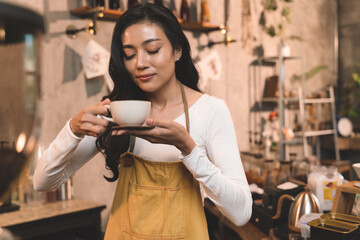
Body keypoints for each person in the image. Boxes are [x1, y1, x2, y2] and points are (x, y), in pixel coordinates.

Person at [33, 3, 252, 239]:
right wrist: (72, 131)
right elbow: (43, 182)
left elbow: (241, 214)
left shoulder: (210, 111)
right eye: (129, 54)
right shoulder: (118, 112)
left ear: (177, 50)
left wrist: (189, 150)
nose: (139, 63)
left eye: (153, 49)